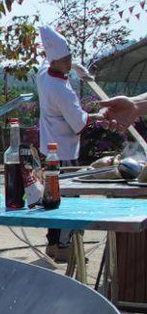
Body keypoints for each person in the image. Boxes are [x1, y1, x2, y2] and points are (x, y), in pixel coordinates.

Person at [35, 25, 92, 263]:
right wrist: (95, 116)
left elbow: (46, 65)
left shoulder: (43, 75)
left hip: (47, 147)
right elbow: (79, 124)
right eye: (66, 59)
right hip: (64, 152)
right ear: (55, 60)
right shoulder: (62, 91)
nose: (69, 61)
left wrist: (76, 68)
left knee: (52, 197)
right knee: (68, 198)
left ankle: (52, 244)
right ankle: (63, 245)